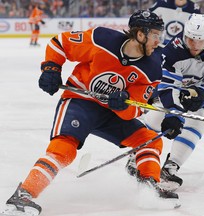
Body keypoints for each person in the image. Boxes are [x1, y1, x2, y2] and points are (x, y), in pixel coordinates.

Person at [2, 10, 181, 216]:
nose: (159, 41)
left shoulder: (152, 67)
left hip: (111, 113)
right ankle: (24, 195)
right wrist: (51, 68)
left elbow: (137, 107)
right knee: (64, 147)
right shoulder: (101, 39)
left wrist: (124, 106)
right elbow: (60, 43)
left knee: (149, 140)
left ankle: (149, 190)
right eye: (155, 35)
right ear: (140, 34)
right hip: (81, 102)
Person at [126, 13, 204, 191]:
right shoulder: (173, 50)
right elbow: (168, 87)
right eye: (191, 40)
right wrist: (175, 113)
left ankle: (170, 167)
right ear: (185, 35)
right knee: (157, 115)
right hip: (176, 88)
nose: (195, 46)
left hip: (200, 90)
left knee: (201, 119)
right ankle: (138, 152)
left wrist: (201, 95)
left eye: (200, 41)